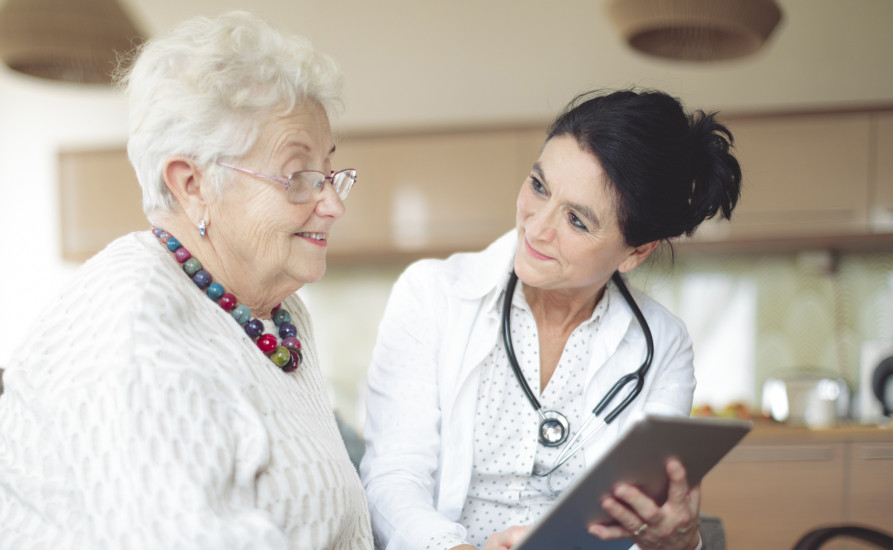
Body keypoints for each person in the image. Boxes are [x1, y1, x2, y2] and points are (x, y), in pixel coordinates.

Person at [0, 11, 372, 549]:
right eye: (298, 177)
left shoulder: (277, 313)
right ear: (193, 183)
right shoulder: (131, 323)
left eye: (330, 172)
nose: (332, 203)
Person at [360, 89, 742, 550]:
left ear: (635, 252)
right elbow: (392, 478)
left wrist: (680, 543)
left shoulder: (663, 345)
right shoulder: (430, 295)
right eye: (539, 186)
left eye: (577, 220)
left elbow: (642, 528)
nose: (537, 227)